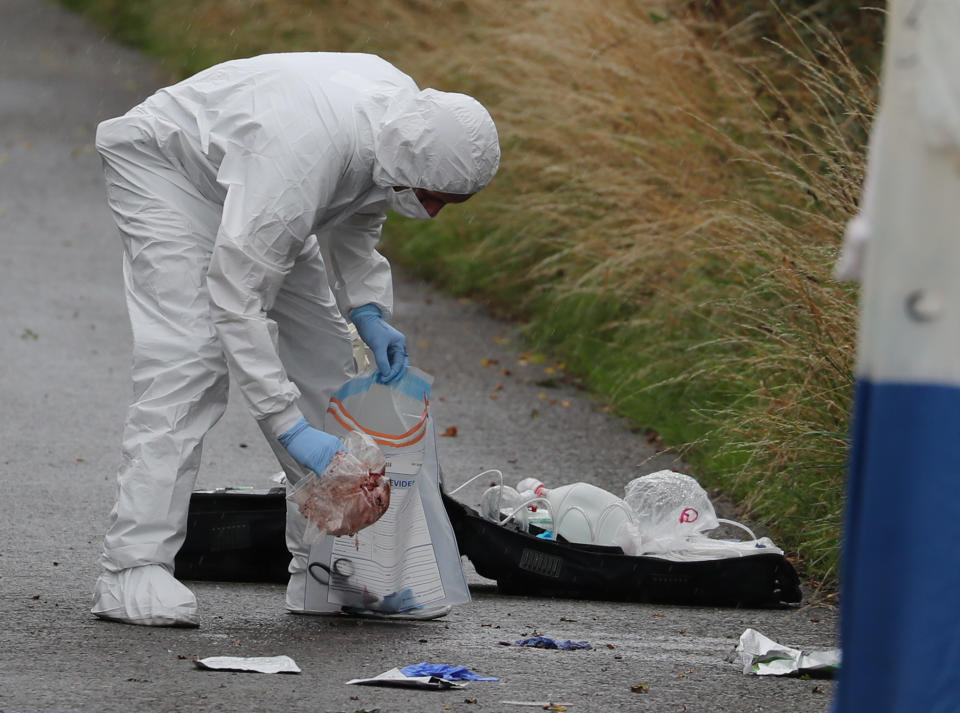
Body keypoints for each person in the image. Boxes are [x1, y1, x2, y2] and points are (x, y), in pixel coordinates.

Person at [89, 52, 500, 627]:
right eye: (431, 197)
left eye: (446, 205)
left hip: (255, 182)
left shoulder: (404, 123)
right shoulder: (307, 154)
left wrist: (367, 308)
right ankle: (132, 569)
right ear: (411, 159)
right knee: (192, 362)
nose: (431, 213)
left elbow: (359, 204)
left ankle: (328, 567)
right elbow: (236, 296)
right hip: (169, 170)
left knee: (330, 363)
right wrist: (288, 426)